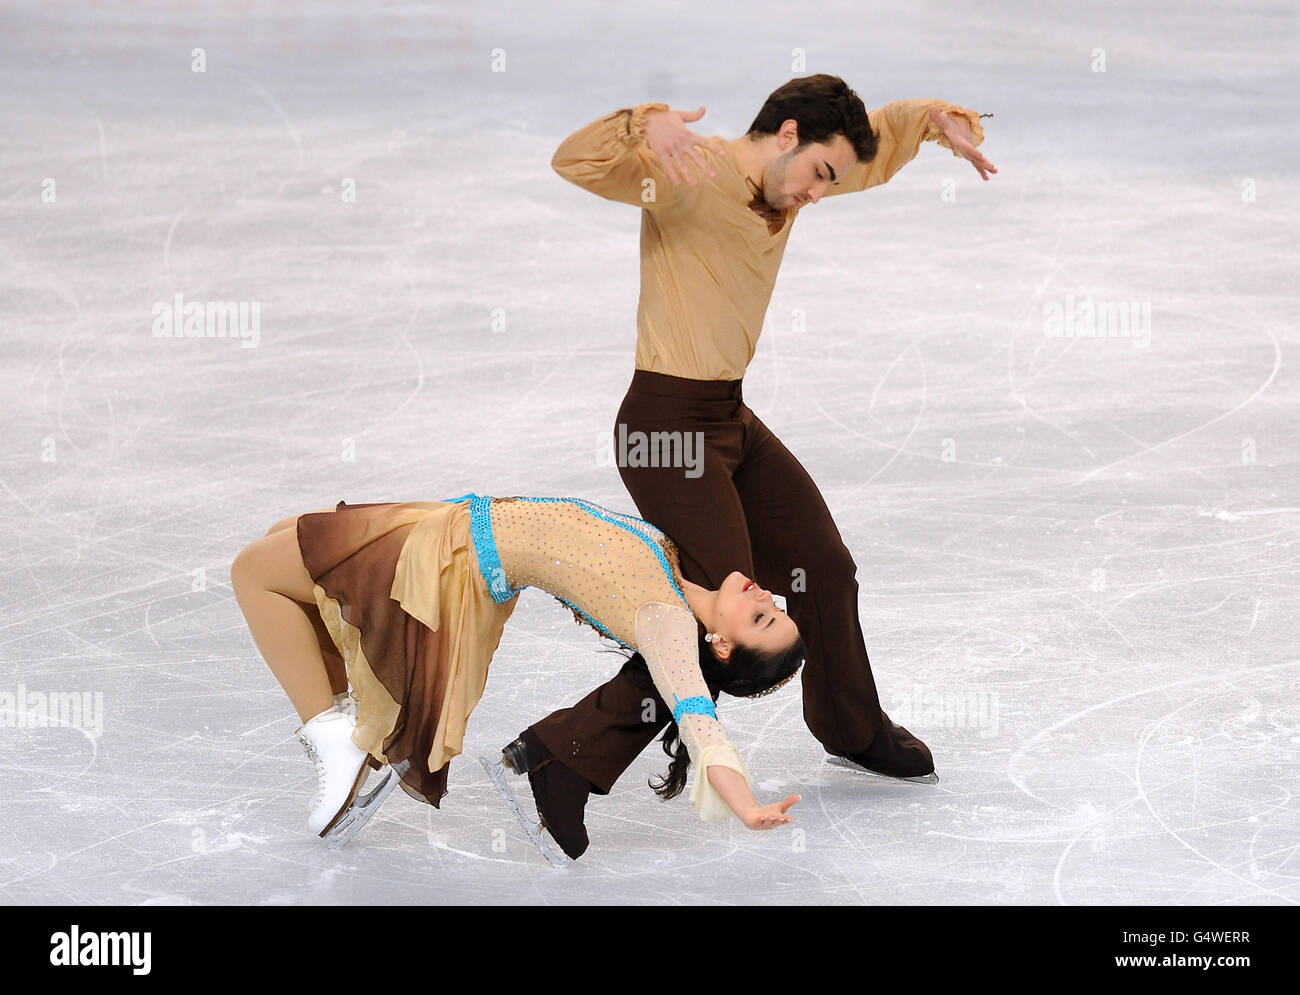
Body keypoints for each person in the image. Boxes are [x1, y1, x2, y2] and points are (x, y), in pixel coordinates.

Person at [507, 75, 997, 855]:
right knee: (723, 620)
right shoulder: (688, 172)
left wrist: (930, 122)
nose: (817, 194)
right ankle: (557, 758)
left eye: (828, 181)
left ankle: (851, 724)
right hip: (664, 427)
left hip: (728, 417)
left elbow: (868, 153)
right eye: (818, 174)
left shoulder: (791, 174)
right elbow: (573, 162)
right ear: (788, 134)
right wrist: (641, 122)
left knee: (822, 566)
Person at [229, 494, 806, 848]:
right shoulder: (680, 577)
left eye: (762, 618)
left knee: (253, 572)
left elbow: (698, 720)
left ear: (723, 646)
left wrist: (747, 806)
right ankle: (341, 716)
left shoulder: (668, 623)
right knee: (284, 537)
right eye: (775, 607)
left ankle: (331, 736)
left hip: (451, 558)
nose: (767, 595)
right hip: (458, 517)